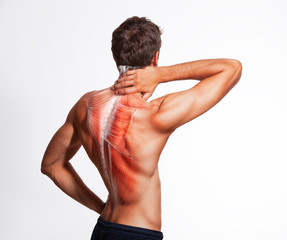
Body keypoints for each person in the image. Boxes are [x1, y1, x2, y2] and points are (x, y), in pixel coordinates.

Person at [41, 16, 242, 240]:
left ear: (114, 56)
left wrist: (100, 207)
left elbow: (51, 165)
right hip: (139, 234)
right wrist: (160, 75)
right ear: (155, 57)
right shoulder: (156, 115)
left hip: (103, 229)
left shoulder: (85, 106)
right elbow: (231, 68)